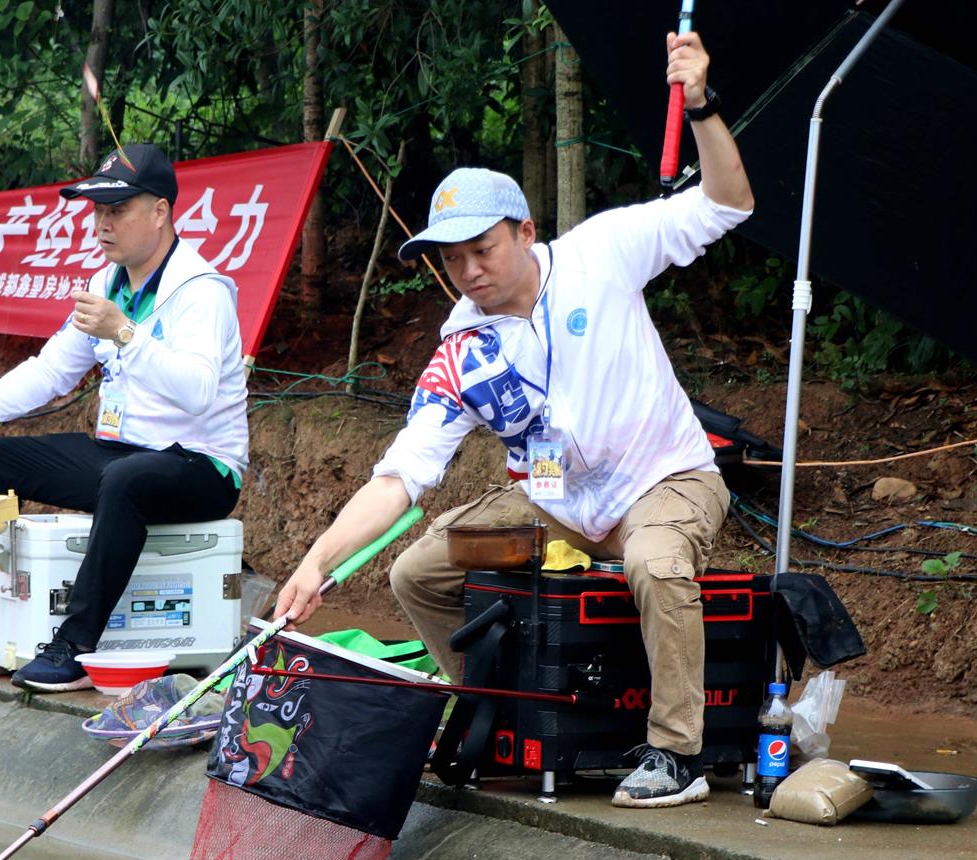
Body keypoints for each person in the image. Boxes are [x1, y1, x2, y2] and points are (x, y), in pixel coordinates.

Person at [274, 32, 754, 808]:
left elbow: (729, 202)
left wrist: (699, 102)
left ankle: (677, 753)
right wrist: (317, 561)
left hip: (665, 477)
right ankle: (492, 715)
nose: (469, 272)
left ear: (526, 232)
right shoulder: (461, 351)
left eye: (484, 249)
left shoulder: (605, 252)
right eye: (452, 259)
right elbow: (401, 476)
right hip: (556, 502)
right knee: (417, 570)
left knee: (658, 564)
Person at [0, 144, 248, 690]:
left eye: (117, 211)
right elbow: (52, 370)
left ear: (159, 212)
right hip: (123, 457)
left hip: (201, 469)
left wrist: (124, 334)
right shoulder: (109, 283)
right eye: (96, 212)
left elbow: (198, 393)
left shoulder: (201, 292)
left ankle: (77, 644)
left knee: (125, 478)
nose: (102, 225)